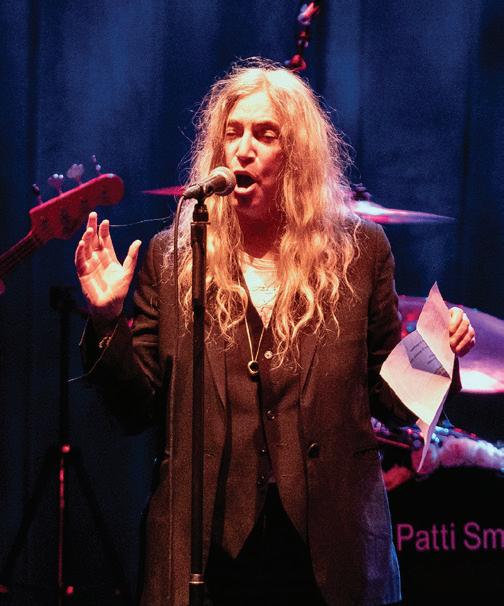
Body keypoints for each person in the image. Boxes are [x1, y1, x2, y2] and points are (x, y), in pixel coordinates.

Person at [75, 59, 475, 606]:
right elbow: (134, 408)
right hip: (207, 554)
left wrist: (438, 354)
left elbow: (390, 401)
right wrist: (105, 322)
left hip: (329, 551)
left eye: (265, 135)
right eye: (232, 133)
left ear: (298, 156)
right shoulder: (175, 258)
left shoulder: (359, 253)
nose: (243, 149)